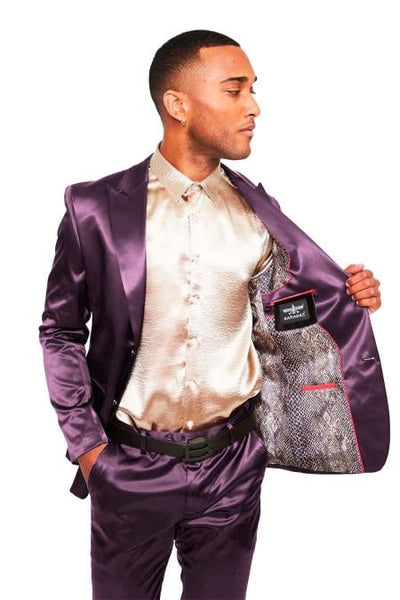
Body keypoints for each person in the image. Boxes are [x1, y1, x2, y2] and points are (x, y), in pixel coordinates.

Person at [39, 30, 387, 600]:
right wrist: (88, 449)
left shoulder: (258, 211)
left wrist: (351, 297)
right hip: (129, 466)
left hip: (233, 464)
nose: (254, 107)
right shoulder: (94, 208)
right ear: (178, 105)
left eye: (253, 89)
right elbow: (60, 331)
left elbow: (285, 315)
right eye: (234, 90)